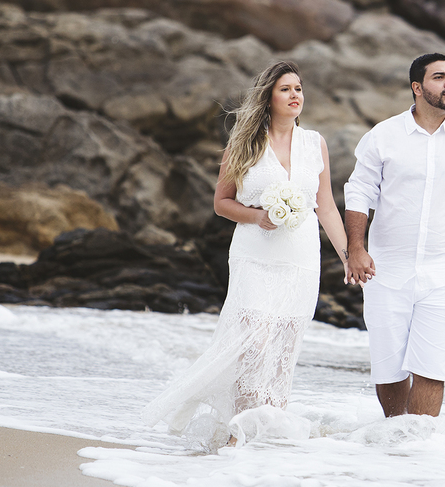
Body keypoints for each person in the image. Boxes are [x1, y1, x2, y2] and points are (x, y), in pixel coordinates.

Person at [142, 60, 351, 449]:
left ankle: (269, 435)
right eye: (286, 89)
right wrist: (258, 216)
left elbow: (325, 207)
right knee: (252, 343)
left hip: (301, 260)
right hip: (254, 257)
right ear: (268, 96)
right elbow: (222, 202)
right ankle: (239, 432)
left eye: (299, 89)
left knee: (284, 349)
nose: (295, 96)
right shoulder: (245, 143)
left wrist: (348, 255)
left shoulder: (314, 143)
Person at [344, 53, 445, 418]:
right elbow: (359, 193)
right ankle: (394, 439)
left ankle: (417, 449)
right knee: (389, 369)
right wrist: (354, 248)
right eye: (439, 77)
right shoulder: (383, 136)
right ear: (417, 88)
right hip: (386, 269)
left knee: (432, 368)